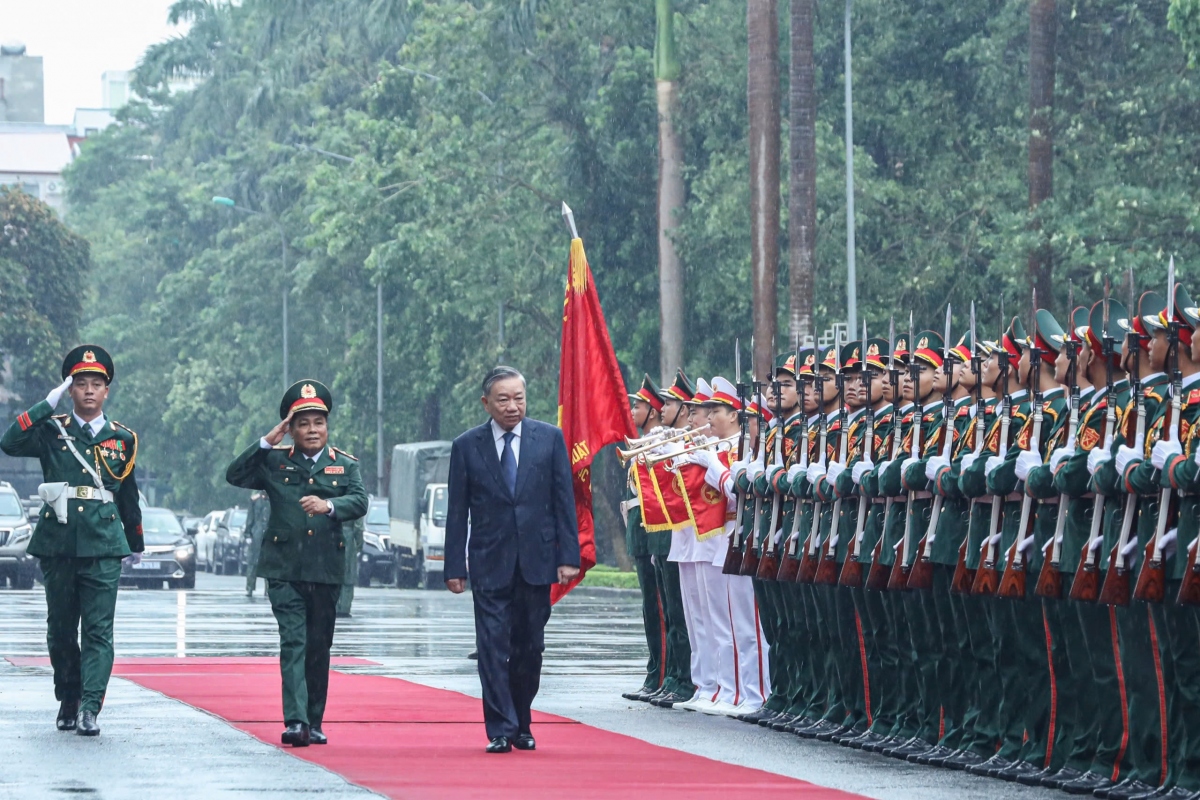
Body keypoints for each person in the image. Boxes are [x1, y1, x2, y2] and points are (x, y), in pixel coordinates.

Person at [0, 345, 143, 737]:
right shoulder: (53, 429)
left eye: (97, 384)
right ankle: (69, 694)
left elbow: (126, 492)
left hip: (103, 543)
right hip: (59, 541)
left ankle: (90, 708)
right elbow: (9, 443)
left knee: (98, 631)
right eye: (81, 384)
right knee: (61, 629)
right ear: (71, 389)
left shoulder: (122, 438)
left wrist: (134, 541)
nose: (89, 391)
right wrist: (48, 402)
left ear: (107, 391)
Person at [444, 366, 580, 754]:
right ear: (486, 403)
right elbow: (458, 512)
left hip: (536, 561)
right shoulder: (467, 446)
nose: (512, 406)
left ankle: (522, 719)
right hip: (489, 562)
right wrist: (454, 567)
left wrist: (568, 556)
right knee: (491, 646)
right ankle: (500, 728)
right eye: (502, 399)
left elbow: (562, 502)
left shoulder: (549, 439)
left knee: (529, 647)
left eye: (518, 397)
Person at [225, 379, 368, 747]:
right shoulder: (274, 462)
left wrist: (329, 506)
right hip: (283, 568)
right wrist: (267, 440)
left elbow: (360, 501)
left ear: (327, 426)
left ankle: (315, 719)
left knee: (319, 646)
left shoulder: (345, 465)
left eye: (318, 422)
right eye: (302, 423)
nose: (312, 430)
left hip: (325, 568)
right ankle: (296, 721)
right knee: (294, 642)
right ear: (291, 429)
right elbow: (235, 474)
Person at [244, 490, 269, 597]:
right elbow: (250, 518)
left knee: (269, 564)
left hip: (269, 535)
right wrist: (248, 534)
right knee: (253, 563)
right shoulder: (255, 500)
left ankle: (268, 590)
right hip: (256, 534)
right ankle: (250, 588)